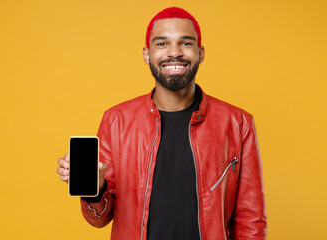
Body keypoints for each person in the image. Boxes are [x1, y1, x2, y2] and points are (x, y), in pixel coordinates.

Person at [57, 7, 267, 240]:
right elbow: (99, 218)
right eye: (162, 44)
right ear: (147, 54)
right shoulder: (116, 120)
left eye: (186, 43)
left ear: (201, 52)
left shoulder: (237, 123)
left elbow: (251, 220)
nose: (174, 53)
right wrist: (95, 190)